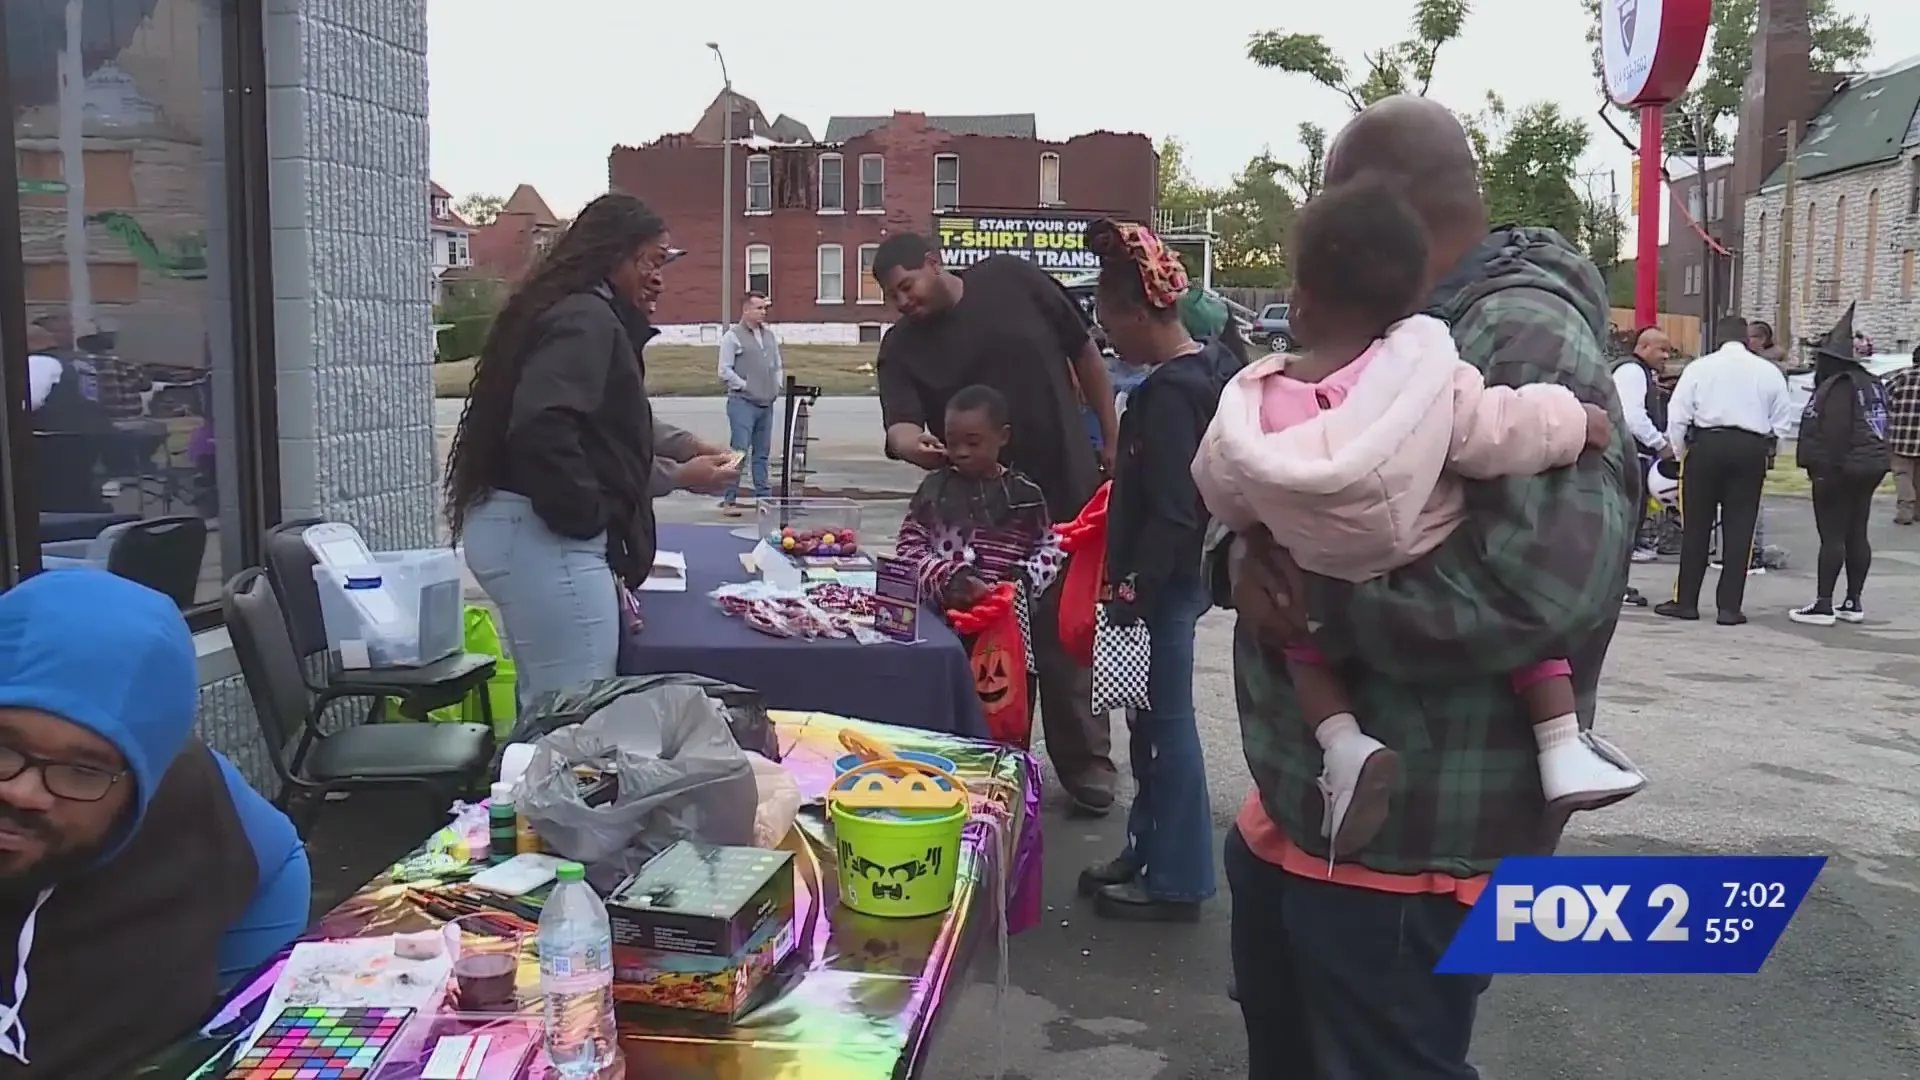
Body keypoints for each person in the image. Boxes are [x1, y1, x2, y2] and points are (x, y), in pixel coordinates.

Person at [1216, 96, 1635, 1078]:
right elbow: (1256, 470)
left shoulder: (1515, 334)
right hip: (1313, 813)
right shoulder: (1387, 325)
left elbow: (1544, 588)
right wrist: (1233, 561)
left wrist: (1321, 605)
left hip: (1414, 842)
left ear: (1376, 210)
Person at [1194, 178, 1642, 861]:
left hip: (1417, 857)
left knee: (1302, 646)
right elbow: (1498, 429)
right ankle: (1562, 747)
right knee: (1536, 654)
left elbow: (1221, 482)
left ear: (1304, 301)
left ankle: (1343, 745)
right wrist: (1577, 422)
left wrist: (1261, 556)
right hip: (1411, 539)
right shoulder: (1426, 372)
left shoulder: (1261, 397)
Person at [0, 569, 309, 1078]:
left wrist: (228, 1019)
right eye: (3, 746)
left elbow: (278, 860)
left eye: (81, 770)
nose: (22, 791)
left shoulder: (189, 790)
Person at [447, 194, 737, 710]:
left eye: (664, 262)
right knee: (577, 720)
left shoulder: (575, 311)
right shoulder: (587, 319)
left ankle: (512, 792)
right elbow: (545, 431)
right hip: (545, 539)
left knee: (548, 709)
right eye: (650, 260)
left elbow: (608, 422)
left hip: (525, 535)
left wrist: (683, 447)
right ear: (612, 256)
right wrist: (589, 517)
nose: (659, 278)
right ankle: (525, 794)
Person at [873, 233, 1119, 815]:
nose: (901, 303)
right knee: (995, 640)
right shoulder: (901, 347)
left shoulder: (1012, 278)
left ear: (935, 262)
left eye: (906, 286)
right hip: (978, 521)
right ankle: (997, 763)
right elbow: (898, 428)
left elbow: (1084, 352)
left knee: (1069, 633)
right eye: (891, 296)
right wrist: (919, 448)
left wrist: (1112, 436)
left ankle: (1086, 762)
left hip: (1064, 493)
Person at [1079, 218, 1231, 920]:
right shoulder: (1192, 377)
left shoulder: (1171, 393)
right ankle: (1146, 849)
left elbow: (1176, 508)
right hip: (1159, 588)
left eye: (1110, 322)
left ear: (1139, 313)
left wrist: (1135, 586)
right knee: (1146, 726)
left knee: (1167, 731)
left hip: (1160, 591)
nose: (1108, 339)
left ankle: (1177, 876)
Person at [895, 384, 1065, 662]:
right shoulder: (935, 489)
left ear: (1003, 436)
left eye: (973, 443)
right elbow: (908, 547)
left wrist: (1022, 580)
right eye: (952, 442)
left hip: (1006, 629)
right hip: (943, 625)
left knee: (1003, 697)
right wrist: (950, 578)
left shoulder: (1025, 495)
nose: (961, 452)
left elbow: (1050, 547)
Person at [1655, 314, 1794, 626]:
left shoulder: (1700, 367)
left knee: (1696, 528)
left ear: (1717, 339)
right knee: (1740, 529)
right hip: (1750, 449)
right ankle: (1729, 608)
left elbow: (1678, 415)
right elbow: (1783, 421)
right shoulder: (1767, 371)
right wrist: (1769, 451)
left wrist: (1679, 452)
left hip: (1707, 446)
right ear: (1746, 338)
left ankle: (1686, 601)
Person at [1790, 308, 1891, 625]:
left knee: (1832, 535)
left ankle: (1823, 604)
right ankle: (1853, 601)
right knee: (1856, 532)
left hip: (1839, 469)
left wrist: (1820, 470)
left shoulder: (1837, 386)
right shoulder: (1872, 384)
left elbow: (1832, 434)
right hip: (1870, 466)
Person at [716, 291, 782, 515]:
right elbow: (724, 370)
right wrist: (744, 385)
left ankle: (764, 501)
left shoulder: (770, 337)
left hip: (766, 403)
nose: (763, 312)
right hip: (742, 403)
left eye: (764, 308)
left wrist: (776, 385)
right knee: (738, 452)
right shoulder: (732, 336)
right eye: (758, 308)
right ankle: (729, 500)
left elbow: (777, 364)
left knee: (762, 455)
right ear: (746, 310)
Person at [1881, 345, 1920, 525]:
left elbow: (1883, 401)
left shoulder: (1900, 377)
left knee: (1902, 473)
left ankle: (1905, 510)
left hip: (1900, 436)